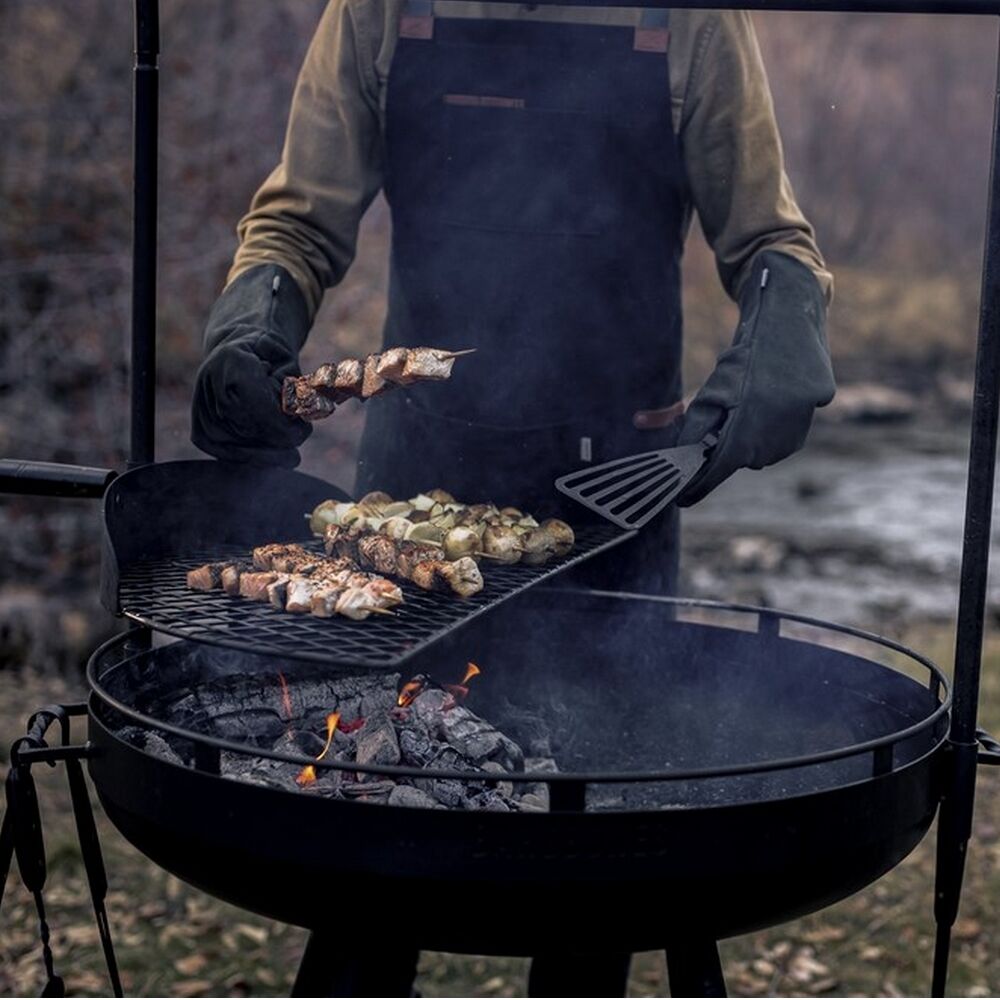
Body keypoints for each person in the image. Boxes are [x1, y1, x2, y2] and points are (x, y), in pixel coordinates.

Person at [191, 1, 835, 993]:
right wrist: (251, 330)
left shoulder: (691, 18)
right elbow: (297, 217)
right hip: (411, 494)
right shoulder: (379, 9)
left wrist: (757, 375)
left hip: (613, 496)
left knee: (592, 874)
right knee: (371, 835)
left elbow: (769, 243)